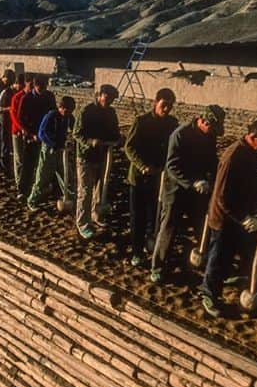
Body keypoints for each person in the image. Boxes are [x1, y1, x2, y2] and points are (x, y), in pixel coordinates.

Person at [199, 118, 257, 317]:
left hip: (243, 216)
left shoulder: (253, 154)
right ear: (253, 136)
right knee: (219, 257)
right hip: (224, 217)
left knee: (247, 254)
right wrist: (242, 218)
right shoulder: (233, 156)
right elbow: (223, 196)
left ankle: (255, 288)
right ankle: (209, 294)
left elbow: (255, 186)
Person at [150, 105, 224, 283]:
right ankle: (157, 267)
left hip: (198, 190)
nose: (212, 132)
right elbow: (172, 166)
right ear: (203, 121)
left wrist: (212, 179)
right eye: (211, 128)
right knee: (169, 227)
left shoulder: (209, 136)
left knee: (202, 225)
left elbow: (211, 160)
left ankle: (204, 261)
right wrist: (192, 182)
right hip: (176, 189)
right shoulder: (180, 134)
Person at [123, 88, 178, 266]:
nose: (166, 109)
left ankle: (151, 244)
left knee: (153, 214)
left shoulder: (172, 124)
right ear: (155, 102)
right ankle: (137, 252)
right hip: (139, 177)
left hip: (160, 177)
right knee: (137, 216)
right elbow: (129, 148)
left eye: (170, 106)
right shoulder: (141, 122)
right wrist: (142, 166)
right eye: (164, 105)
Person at [73, 84, 122, 239]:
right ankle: (83, 223)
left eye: (112, 100)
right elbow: (76, 133)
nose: (109, 102)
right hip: (86, 156)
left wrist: (118, 139)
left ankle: (96, 216)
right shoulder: (87, 111)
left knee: (100, 190)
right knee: (85, 191)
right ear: (99, 95)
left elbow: (114, 131)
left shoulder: (111, 113)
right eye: (107, 98)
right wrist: (90, 141)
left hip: (103, 155)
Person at [28, 96, 77, 210]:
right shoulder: (51, 116)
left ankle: (69, 198)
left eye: (71, 111)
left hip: (61, 151)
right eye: (67, 110)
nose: (69, 113)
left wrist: (71, 140)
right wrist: (55, 143)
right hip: (49, 150)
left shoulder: (69, 117)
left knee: (66, 175)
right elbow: (42, 133)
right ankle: (32, 201)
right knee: (42, 177)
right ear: (61, 107)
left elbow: (74, 130)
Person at [17, 75, 56, 200]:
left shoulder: (49, 97)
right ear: (34, 86)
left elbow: (53, 114)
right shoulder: (26, 98)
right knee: (28, 164)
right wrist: (30, 133)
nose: (42, 90)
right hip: (31, 135)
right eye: (40, 88)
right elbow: (21, 118)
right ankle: (23, 190)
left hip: (45, 135)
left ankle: (45, 188)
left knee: (46, 163)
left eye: (44, 87)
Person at [10, 74, 34, 190]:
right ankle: (19, 181)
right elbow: (14, 117)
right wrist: (22, 129)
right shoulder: (17, 97)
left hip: (29, 132)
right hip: (18, 132)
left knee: (28, 158)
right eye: (31, 85)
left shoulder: (34, 98)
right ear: (26, 84)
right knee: (19, 158)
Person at [0, 71, 21, 175]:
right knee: (5, 144)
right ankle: (5, 167)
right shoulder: (5, 93)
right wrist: (10, 109)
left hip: (14, 122)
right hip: (5, 122)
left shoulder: (18, 94)